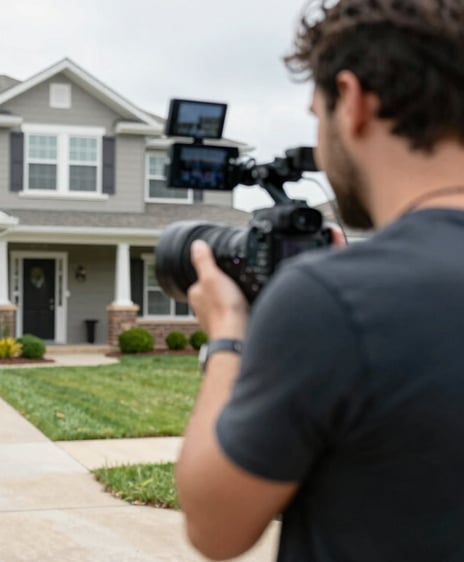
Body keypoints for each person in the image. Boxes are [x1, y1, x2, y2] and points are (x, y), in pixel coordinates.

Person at [175, 1, 464, 560]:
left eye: (317, 112)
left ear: (353, 101)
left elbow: (216, 529)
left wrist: (228, 335)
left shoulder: (333, 302)